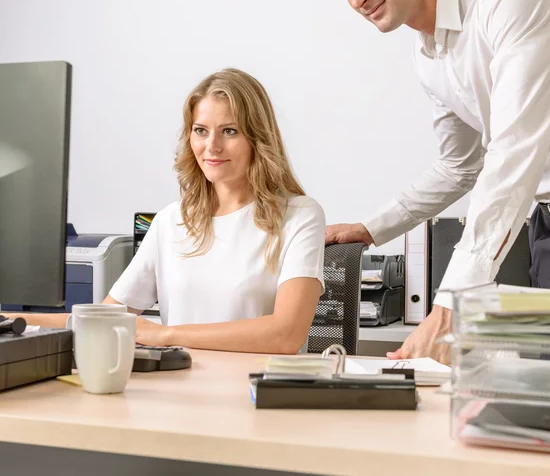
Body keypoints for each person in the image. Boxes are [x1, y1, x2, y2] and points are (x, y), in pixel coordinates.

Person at [310, 0, 550, 364]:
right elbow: (459, 166)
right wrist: (371, 227)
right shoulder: (428, 57)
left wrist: (447, 306)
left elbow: (514, 151)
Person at [17, 69, 325, 354]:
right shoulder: (172, 220)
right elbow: (103, 318)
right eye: (200, 131)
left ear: (258, 138)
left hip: (254, 396)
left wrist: (165, 335)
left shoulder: (299, 216)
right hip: (178, 392)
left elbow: (285, 335)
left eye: (230, 131)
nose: (212, 146)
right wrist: (11, 319)